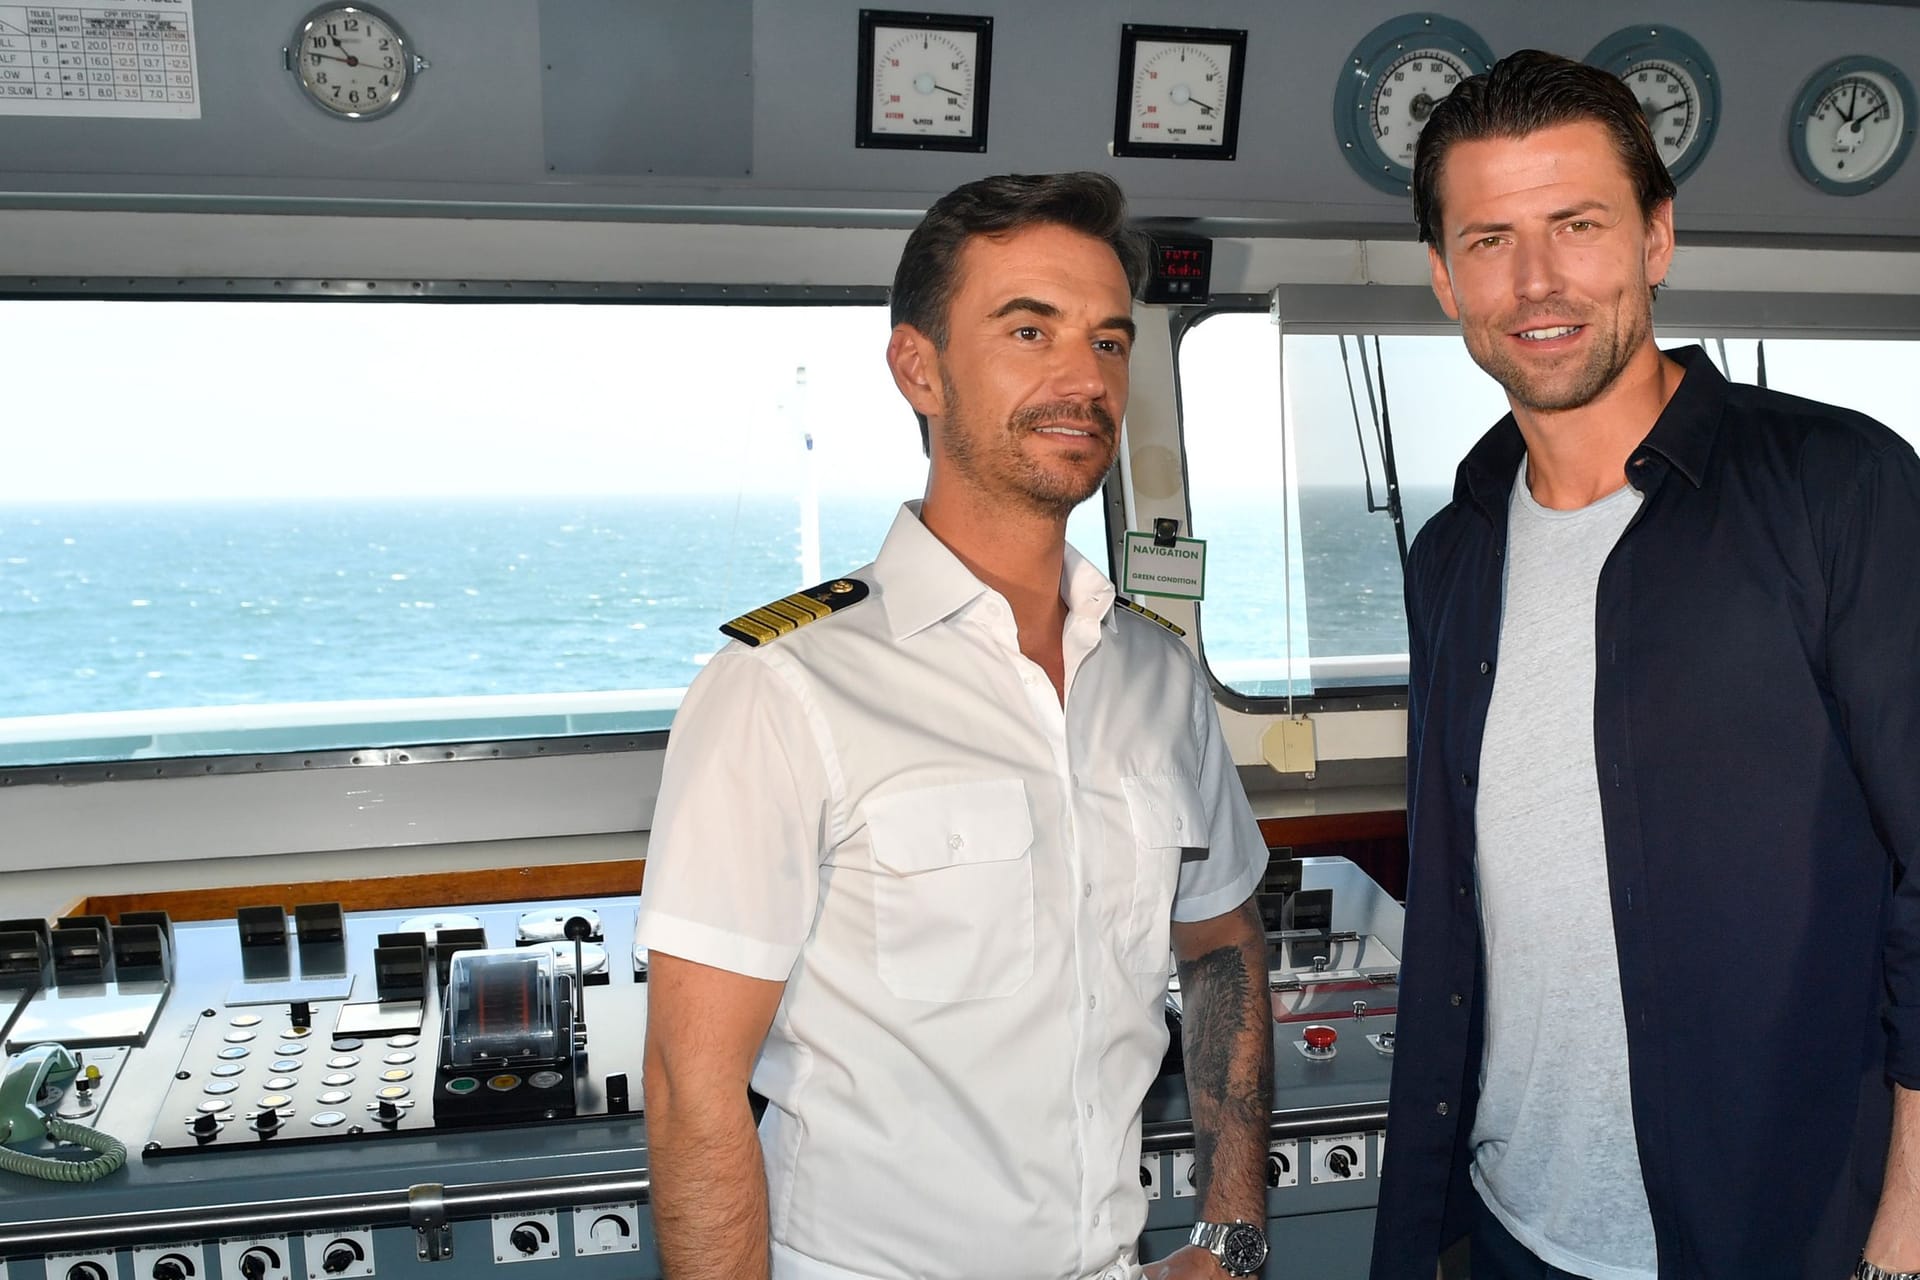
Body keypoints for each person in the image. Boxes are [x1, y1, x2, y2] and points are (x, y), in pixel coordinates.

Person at [635, 171, 1274, 1280]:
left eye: (1111, 342)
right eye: (1030, 330)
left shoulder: (1159, 676)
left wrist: (1229, 1231)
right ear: (918, 368)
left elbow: (1218, 947)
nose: (1083, 377)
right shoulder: (785, 685)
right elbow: (693, 1085)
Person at [1369, 48, 1920, 1280]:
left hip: (1786, 1234)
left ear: (1656, 239)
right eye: (1493, 238)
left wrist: (1907, 1231)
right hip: (1516, 1221)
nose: (1538, 279)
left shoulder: (1844, 489)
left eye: (1578, 224)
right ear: (1445, 276)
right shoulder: (1454, 548)